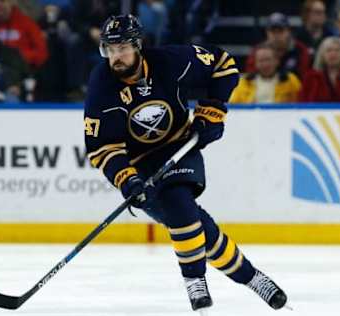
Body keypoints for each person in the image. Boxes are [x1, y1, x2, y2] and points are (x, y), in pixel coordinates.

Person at [84, 14, 288, 313]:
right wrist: (127, 179)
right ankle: (252, 277)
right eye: (110, 50)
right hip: (140, 164)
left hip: (180, 145)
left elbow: (223, 64)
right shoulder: (101, 85)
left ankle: (194, 281)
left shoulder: (170, 61)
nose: (116, 56)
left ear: (139, 46)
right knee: (198, 226)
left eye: (122, 48)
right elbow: (102, 147)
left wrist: (213, 109)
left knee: (179, 203)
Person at [230, 43, 301, 104]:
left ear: (277, 61)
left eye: (268, 59)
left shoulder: (290, 80)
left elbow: (301, 102)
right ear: (256, 63)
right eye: (261, 60)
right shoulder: (245, 81)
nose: (265, 64)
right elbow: (234, 106)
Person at [299, 36, 340, 102]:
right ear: (322, 55)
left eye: (337, 50)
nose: (333, 54)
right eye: (329, 50)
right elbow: (302, 104)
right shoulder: (311, 77)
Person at [246, 12, 310, 79]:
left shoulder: (300, 49)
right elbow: (250, 76)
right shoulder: (258, 51)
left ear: (288, 31)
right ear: (267, 32)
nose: (276, 35)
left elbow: (304, 77)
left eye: (280, 30)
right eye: (273, 31)